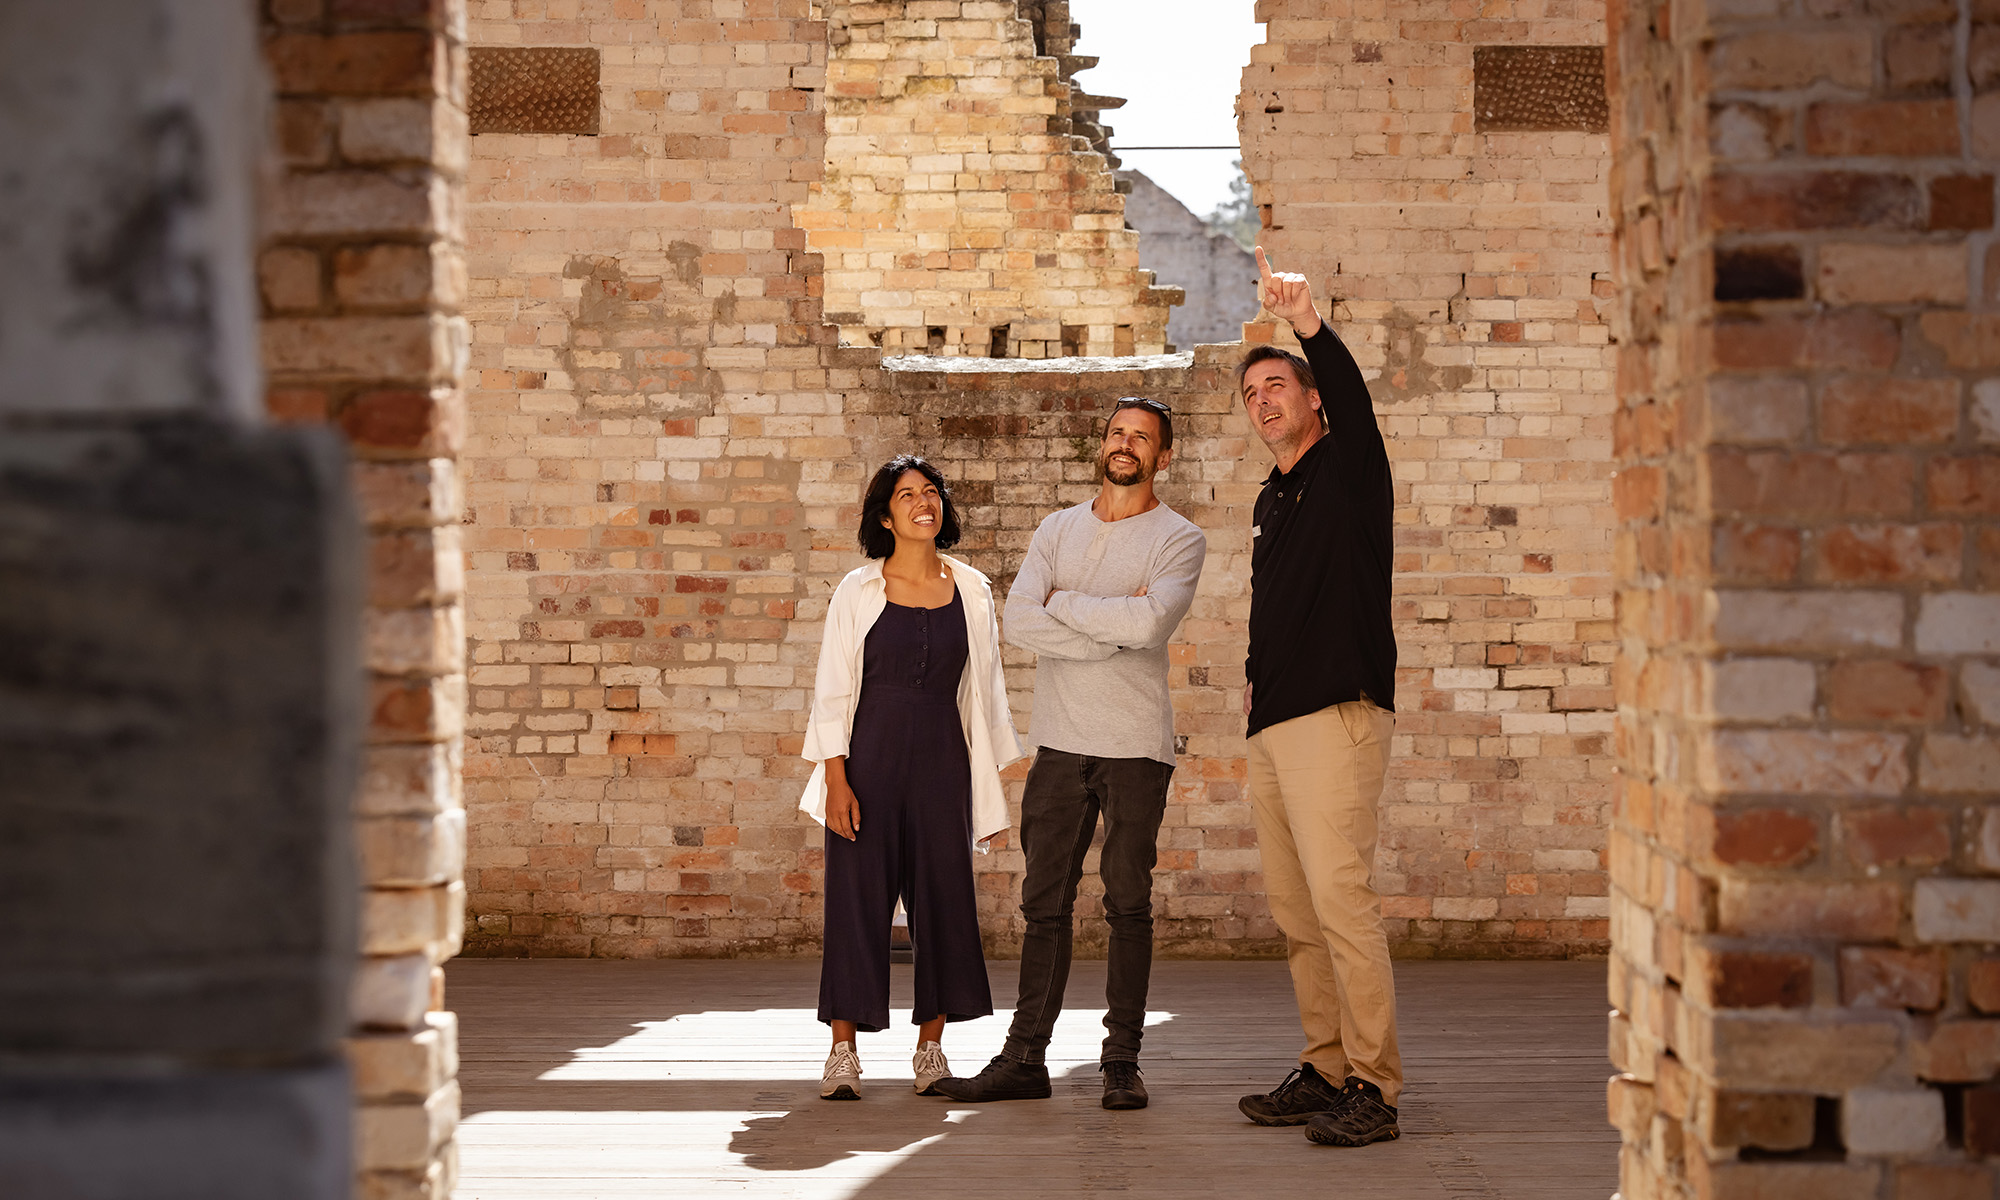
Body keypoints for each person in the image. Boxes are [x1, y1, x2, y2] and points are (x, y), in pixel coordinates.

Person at [932, 397, 1206, 1111]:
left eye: (1142, 438)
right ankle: (1025, 1059)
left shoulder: (1180, 538)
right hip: (1057, 743)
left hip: (1135, 747)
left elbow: (1150, 624)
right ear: (1104, 443)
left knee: (1128, 905)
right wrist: (1108, 623)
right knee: (1043, 905)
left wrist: (1069, 604)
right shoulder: (1057, 529)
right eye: (1118, 433)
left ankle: (1121, 1063)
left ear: (1163, 457)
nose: (1126, 445)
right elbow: (1019, 621)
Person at [1233, 248, 1404, 1147]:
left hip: (1338, 717)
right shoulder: (1273, 496)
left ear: (1312, 400)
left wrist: (1305, 322)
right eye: (1250, 394)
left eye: (1277, 386)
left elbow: (1356, 398)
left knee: (1342, 906)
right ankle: (1326, 1064)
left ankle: (1374, 1086)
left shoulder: (1348, 468)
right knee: (1299, 916)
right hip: (1274, 728)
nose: (1263, 401)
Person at [799, 454, 1025, 1101]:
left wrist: (990, 790)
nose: (923, 502)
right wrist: (835, 776)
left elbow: (984, 694)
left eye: (931, 492)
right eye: (907, 495)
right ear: (885, 515)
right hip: (866, 761)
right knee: (855, 899)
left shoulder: (974, 590)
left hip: (942, 764)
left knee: (945, 901)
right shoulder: (857, 590)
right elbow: (833, 689)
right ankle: (842, 1053)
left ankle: (932, 1050)